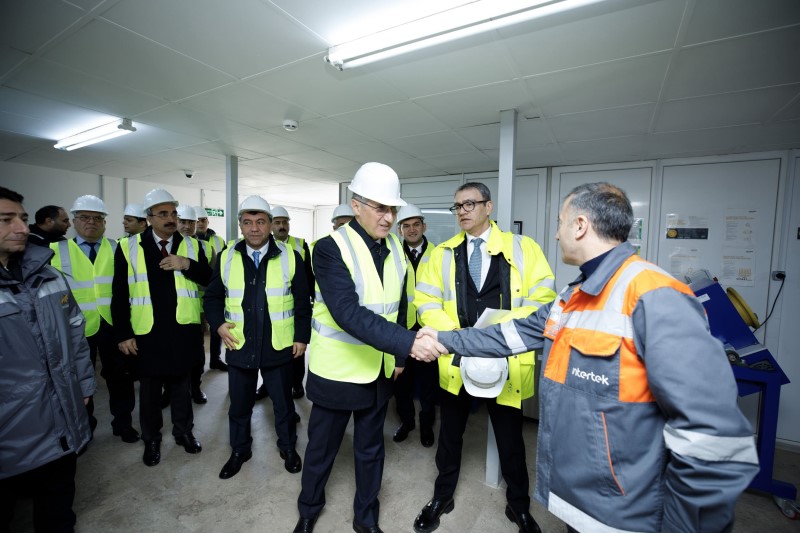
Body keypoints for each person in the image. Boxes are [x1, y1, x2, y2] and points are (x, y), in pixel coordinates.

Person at [420, 182, 760, 533]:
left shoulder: (655, 295)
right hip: (588, 500)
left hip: (630, 508)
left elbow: (714, 439)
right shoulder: (573, 296)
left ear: (580, 225)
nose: (556, 234)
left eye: (560, 223)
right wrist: (443, 338)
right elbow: (513, 334)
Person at [294, 163, 444, 533]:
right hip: (337, 371)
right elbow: (347, 312)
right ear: (356, 205)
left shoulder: (396, 247)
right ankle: (308, 510)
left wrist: (398, 355)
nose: (389, 217)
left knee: (371, 450)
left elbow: (401, 305)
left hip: (378, 370)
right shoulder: (328, 249)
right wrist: (408, 343)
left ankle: (366, 518)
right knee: (321, 450)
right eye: (380, 208)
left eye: (393, 209)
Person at [412, 182, 556, 533]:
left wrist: (497, 335)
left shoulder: (524, 248)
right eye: (457, 206)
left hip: (506, 362)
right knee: (450, 435)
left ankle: (518, 506)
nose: (461, 211)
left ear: (488, 207)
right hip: (457, 362)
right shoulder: (442, 254)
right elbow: (425, 303)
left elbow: (543, 301)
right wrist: (457, 338)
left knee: (511, 439)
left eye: (469, 204)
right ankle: (442, 496)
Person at [0, 186, 96, 532]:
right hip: (11, 427)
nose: (21, 228)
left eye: (23, 218)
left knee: (57, 508)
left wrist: (84, 385)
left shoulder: (48, 274)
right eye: (6, 220)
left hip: (62, 415)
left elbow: (75, 332)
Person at [204, 195, 311, 480]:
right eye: (248, 222)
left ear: (270, 225)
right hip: (240, 343)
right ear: (240, 225)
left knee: (283, 404)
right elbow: (212, 297)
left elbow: (303, 302)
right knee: (239, 406)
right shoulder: (227, 256)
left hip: (279, 345)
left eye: (260, 222)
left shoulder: (290, 256)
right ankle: (240, 450)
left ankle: (288, 447)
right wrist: (217, 324)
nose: (254, 228)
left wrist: (301, 337)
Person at [111, 188, 211, 467]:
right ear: (149, 218)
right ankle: (151, 439)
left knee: (181, 386)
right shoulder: (128, 247)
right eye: (163, 214)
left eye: (173, 213)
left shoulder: (192, 246)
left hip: (183, 329)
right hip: (147, 332)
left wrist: (186, 264)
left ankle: (184, 432)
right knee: (150, 390)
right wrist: (123, 333)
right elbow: (119, 293)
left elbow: (210, 278)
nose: (171, 219)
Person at [50, 195, 139, 444]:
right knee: (78, 380)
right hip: (75, 327)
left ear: (104, 223)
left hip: (112, 325)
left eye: (97, 218)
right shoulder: (55, 251)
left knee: (120, 377)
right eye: (84, 217)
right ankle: (85, 426)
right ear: (74, 221)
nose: (91, 222)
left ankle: (123, 423)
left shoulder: (118, 248)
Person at [254, 205, 314, 401]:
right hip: (270, 308)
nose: (282, 226)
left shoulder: (300, 245)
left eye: (284, 222)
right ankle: (267, 385)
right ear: (271, 225)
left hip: (293, 307)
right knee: (267, 350)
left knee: (296, 350)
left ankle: (297, 384)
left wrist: (309, 300)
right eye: (278, 222)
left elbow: (308, 276)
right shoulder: (260, 247)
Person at [391, 203, 439, 448]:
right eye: (406, 226)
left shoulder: (439, 253)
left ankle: (427, 425)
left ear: (424, 226)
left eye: (416, 225)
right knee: (402, 382)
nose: (411, 230)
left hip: (429, 328)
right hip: (402, 327)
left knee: (429, 384)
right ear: (400, 230)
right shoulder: (392, 254)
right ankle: (407, 422)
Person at [193, 205, 228, 373]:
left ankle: (216, 359)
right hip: (194, 296)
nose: (200, 223)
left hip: (215, 293)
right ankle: (197, 366)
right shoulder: (187, 242)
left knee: (216, 328)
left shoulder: (219, 241)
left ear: (208, 221)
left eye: (203, 220)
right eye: (197, 220)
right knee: (197, 333)